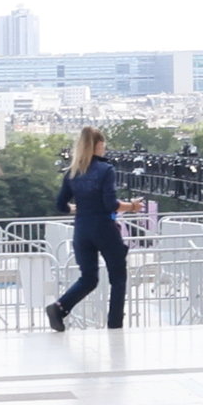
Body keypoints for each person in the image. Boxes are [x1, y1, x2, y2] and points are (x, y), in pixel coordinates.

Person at [50, 126, 129, 330]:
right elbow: (111, 204)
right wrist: (133, 207)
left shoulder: (73, 172)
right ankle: (115, 325)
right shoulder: (106, 170)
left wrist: (76, 208)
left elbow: (60, 204)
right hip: (104, 228)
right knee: (118, 278)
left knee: (88, 278)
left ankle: (60, 307)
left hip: (82, 230)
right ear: (99, 145)